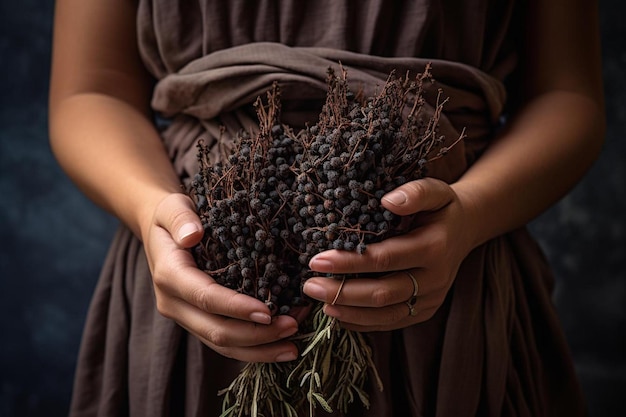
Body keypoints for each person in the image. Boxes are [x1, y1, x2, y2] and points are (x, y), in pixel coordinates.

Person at [48, 0, 605, 416]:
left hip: (447, 283)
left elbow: (567, 96)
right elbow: (89, 91)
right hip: (203, 284)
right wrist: (155, 213)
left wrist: (470, 216)